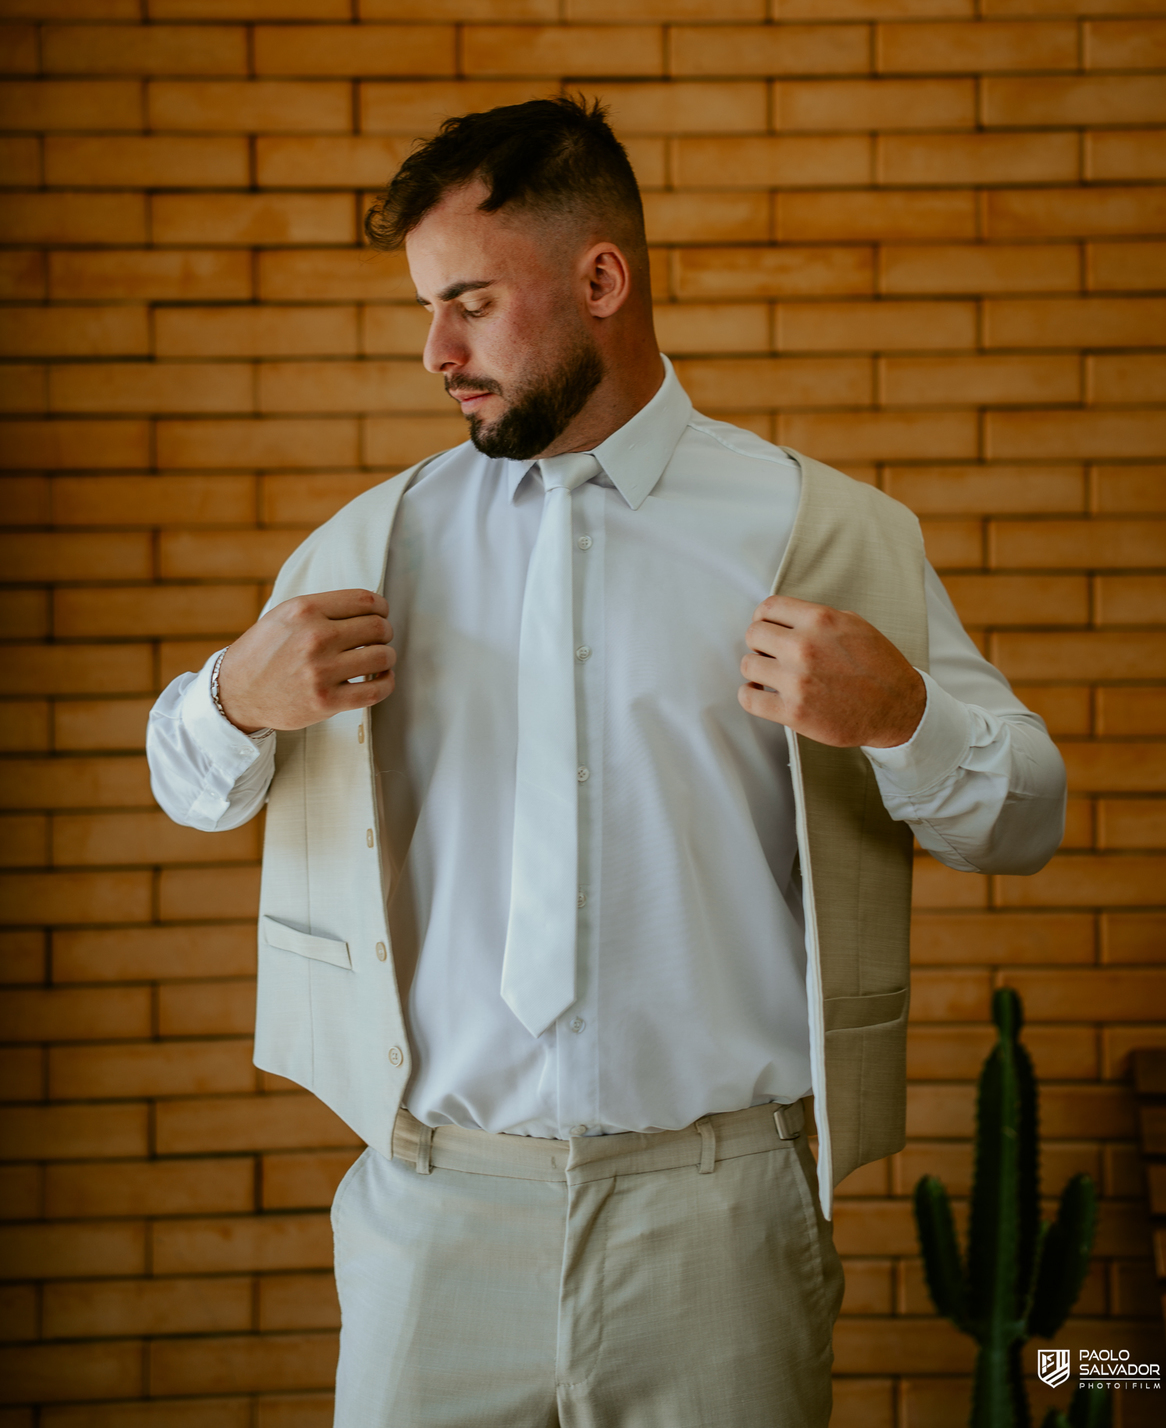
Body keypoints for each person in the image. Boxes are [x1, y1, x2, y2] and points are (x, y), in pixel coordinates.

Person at [147, 96, 1066, 1428]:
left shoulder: (826, 534)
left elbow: (1025, 816)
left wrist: (907, 719)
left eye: (469, 303)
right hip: (433, 1222)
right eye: (424, 308)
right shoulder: (368, 546)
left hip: (723, 1234)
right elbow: (189, 783)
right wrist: (233, 696)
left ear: (602, 278)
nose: (433, 352)